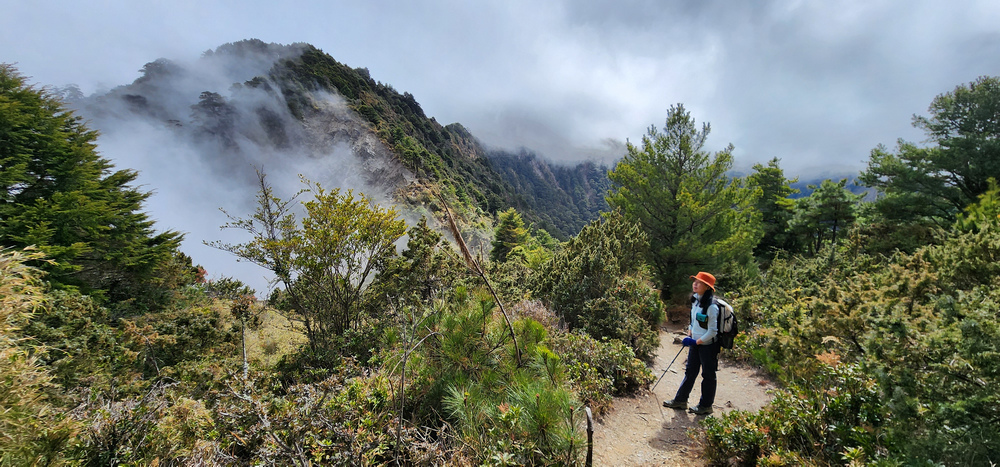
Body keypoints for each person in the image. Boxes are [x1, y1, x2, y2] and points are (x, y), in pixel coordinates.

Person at [663, 271, 720, 415]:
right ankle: (680, 400)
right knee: (690, 372)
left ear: (707, 287)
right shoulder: (695, 300)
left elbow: (713, 331)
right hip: (696, 343)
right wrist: (690, 332)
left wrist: (696, 341)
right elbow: (693, 321)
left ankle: (705, 406)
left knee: (708, 375)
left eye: (699, 282)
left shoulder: (712, 307)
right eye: (695, 281)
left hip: (708, 346)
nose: (695, 284)